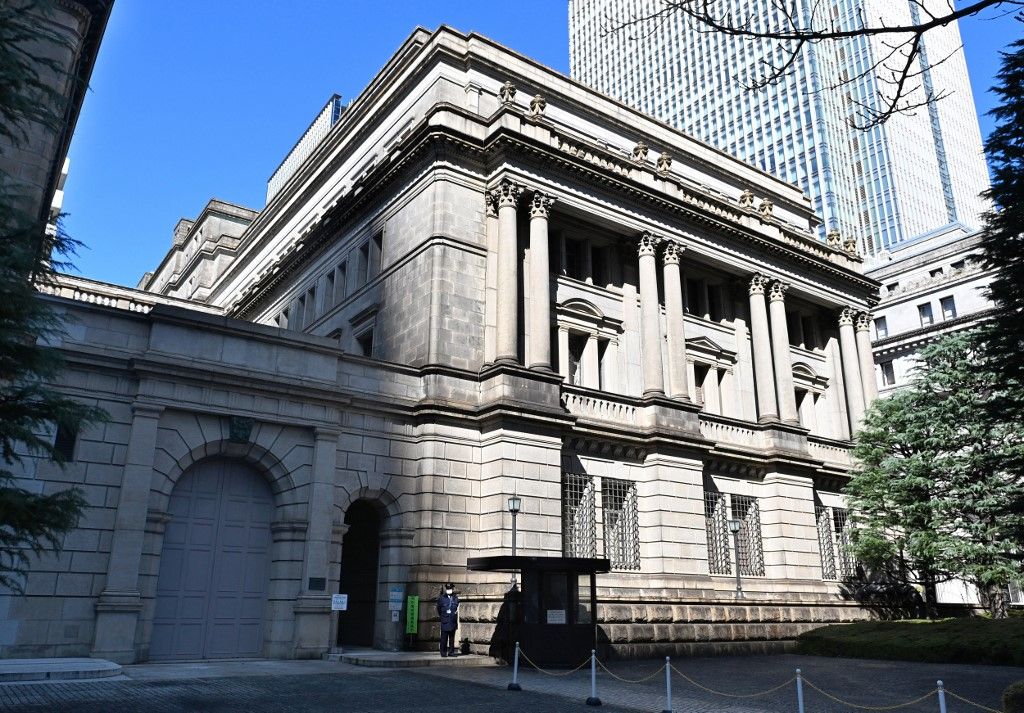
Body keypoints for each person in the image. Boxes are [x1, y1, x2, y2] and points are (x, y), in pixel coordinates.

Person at [436, 582, 459, 657]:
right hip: (445, 620)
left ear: (452, 589)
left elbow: (456, 607)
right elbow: (438, 609)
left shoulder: (455, 598)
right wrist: (443, 616)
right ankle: (443, 652)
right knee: (444, 638)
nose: (449, 590)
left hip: (452, 620)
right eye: (448, 589)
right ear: (446, 589)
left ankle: (451, 652)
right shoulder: (442, 598)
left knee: (452, 638)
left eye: (450, 589)